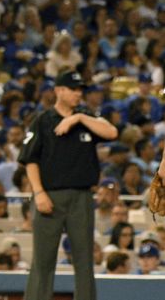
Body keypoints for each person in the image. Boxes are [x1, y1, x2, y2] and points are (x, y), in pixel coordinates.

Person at [20, 71, 118, 300]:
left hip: (82, 197)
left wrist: (79, 118)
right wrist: (39, 193)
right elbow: (30, 160)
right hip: (49, 196)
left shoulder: (85, 118)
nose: (78, 94)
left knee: (84, 260)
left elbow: (112, 132)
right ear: (59, 91)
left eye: (80, 90)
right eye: (73, 89)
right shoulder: (43, 121)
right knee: (43, 261)